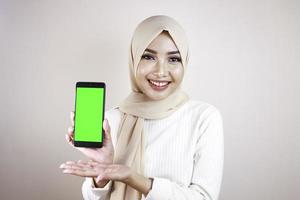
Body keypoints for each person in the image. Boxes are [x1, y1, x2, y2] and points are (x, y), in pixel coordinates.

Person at [60, 15, 224, 200]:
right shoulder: (111, 119)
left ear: (184, 62)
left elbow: (204, 197)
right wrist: (102, 172)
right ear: (133, 59)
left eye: (173, 59)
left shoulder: (203, 118)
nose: (161, 71)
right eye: (148, 56)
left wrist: (134, 179)